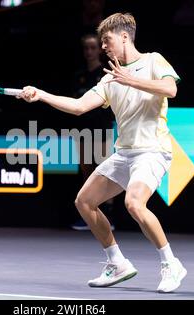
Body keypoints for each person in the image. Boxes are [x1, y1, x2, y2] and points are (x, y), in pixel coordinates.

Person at [17, 13, 186, 293]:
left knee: (134, 203)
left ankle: (171, 263)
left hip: (153, 150)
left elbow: (170, 89)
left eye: (106, 41)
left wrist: (131, 80)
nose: (103, 47)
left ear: (123, 36)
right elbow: (79, 106)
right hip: (125, 153)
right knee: (84, 201)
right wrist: (42, 95)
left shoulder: (154, 60)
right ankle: (117, 263)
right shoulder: (110, 79)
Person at [70, 34, 116, 231]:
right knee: (87, 172)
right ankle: (89, 214)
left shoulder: (106, 74)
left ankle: (109, 216)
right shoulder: (78, 75)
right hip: (82, 130)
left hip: (102, 129)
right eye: (85, 48)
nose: (89, 52)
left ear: (99, 50)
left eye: (92, 48)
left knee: (105, 172)